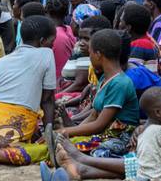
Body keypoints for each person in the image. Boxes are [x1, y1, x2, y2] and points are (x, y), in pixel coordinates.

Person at [0, 15, 58, 166]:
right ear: (42, 41)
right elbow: (47, 99)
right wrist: (49, 131)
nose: (52, 46)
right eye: (51, 42)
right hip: (18, 117)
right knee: (14, 143)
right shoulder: (46, 54)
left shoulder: (3, 61)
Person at [58, 28, 140, 156]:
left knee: (67, 148)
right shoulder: (104, 78)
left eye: (90, 53)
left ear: (98, 54)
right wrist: (71, 132)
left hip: (119, 138)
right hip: (103, 134)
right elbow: (93, 116)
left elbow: (99, 125)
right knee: (63, 142)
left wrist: (65, 131)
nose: (89, 57)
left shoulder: (120, 83)